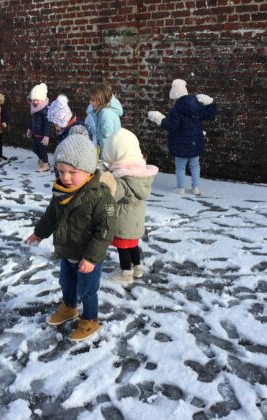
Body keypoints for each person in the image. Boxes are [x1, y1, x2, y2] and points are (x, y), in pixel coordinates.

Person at [27, 130, 116, 342]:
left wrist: (92, 258)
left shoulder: (100, 197)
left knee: (87, 290)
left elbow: (105, 231)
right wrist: (39, 233)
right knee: (66, 283)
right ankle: (69, 307)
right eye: (60, 171)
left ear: (87, 170)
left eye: (72, 172)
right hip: (68, 251)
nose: (65, 177)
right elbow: (51, 216)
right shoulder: (61, 193)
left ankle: (90, 319)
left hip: (88, 257)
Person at [101, 128, 158, 284]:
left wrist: (105, 180)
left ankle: (125, 272)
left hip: (123, 220)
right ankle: (138, 267)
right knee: (133, 245)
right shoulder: (139, 173)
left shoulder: (122, 178)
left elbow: (112, 194)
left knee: (123, 248)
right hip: (135, 219)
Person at [148, 79, 217, 196]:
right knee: (195, 166)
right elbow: (210, 115)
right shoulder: (198, 106)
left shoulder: (176, 110)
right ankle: (196, 187)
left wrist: (160, 119)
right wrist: (211, 103)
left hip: (180, 144)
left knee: (180, 167)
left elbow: (172, 126)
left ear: (175, 96)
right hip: (195, 142)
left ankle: (181, 188)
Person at [88, 82, 123, 160]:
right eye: (90, 99)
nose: (90, 103)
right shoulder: (100, 111)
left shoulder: (105, 114)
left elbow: (106, 139)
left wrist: (103, 160)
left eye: (93, 100)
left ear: (101, 100)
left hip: (110, 156)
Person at [26, 83, 52, 172]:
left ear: (43, 99)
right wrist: (29, 129)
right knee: (34, 148)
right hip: (35, 133)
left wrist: (46, 136)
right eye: (33, 100)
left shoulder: (45, 109)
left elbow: (48, 123)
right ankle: (41, 159)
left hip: (42, 135)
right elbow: (32, 120)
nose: (34, 102)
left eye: (37, 100)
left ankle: (45, 164)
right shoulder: (34, 108)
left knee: (42, 150)